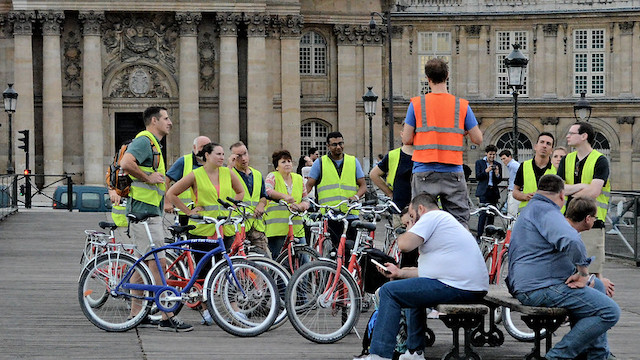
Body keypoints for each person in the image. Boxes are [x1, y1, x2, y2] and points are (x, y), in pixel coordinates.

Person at [356, 193, 488, 360]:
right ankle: (415, 352)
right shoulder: (443, 221)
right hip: (467, 286)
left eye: (412, 217)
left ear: (420, 209)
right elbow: (428, 272)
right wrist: (399, 272)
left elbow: (403, 245)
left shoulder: (432, 216)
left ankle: (379, 355)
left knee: (389, 291)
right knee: (411, 290)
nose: (412, 222)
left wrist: (410, 227)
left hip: (461, 286)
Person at [507, 174, 619, 360]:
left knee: (598, 287)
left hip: (530, 283)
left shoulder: (531, 208)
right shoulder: (547, 212)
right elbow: (572, 240)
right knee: (609, 311)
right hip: (540, 287)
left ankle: (597, 355)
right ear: (561, 196)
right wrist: (583, 273)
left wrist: (586, 278)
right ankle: (558, 357)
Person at [119, 106, 193, 332]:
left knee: (143, 262)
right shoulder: (145, 141)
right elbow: (126, 164)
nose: (170, 122)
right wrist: (148, 178)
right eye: (166, 118)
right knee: (159, 262)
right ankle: (166, 315)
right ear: (154, 121)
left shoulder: (154, 144)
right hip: (144, 212)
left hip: (149, 211)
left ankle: (136, 314)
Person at [401, 58, 483, 228]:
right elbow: (478, 139)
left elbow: (407, 139)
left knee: (422, 222)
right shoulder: (461, 105)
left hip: (424, 171)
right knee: (459, 223)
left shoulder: (417, 104)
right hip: (453, 171)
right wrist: (463, 131)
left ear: (427, 78)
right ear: (447, 76)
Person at [557, 122, 611, 282]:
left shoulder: (600, 160)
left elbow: (594, 192)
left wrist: (570, 190)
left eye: (571, 133)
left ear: (584, 136)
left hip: (592, 223)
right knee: (570, 271)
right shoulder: (567, 159)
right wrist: (581, 186)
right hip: (569, 222)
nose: (567, 136)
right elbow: (559, 189)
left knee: (593, 272)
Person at [306, 131, 367, 247]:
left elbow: (363, 185)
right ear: (328, 146)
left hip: (350, 214)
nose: (338, 147)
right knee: (332, 250)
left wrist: (356, 196)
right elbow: (309, 185)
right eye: (334, 144)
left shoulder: (353, 161)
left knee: (350, 250)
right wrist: (301, 201)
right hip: (330, 215)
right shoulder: (320, 163)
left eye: (341, 143)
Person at [370, 131, 417, 267]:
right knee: (408, 250)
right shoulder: (394, 155)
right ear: (402, 134)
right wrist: (390, 193)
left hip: (418, 210)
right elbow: (374, 174)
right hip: (400, 211)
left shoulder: (424, 154)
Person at [264, 150, 311, 257]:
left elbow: (306, 200)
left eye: (289, 161)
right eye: (283, 162)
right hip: (277, 230)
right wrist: (284, 196)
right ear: (277, 166)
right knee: (279, 262)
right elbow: (267, 191)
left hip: (296, 229)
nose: (287, 164)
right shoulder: (272, 176)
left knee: (304, 260)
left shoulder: (298, 179)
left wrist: (300, 206)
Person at [565, 197, 615, 297]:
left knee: (598, 283)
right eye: (594, 218)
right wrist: (595, 281)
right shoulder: (574, 239)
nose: (595, 220)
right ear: (588, 219)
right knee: (601, 289)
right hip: (556, 286)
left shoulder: (565, 230)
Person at [228, 141, 270, 257]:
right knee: (238, 261)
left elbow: (263, 196)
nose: (243, 159)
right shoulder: (229, 173)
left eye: (245, 154)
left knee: (263, 261)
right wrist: (229, 166)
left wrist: (261, 205)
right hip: (238, 226)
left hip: (256, 225)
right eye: (238, 156)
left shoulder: (257, 174)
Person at [163, 136, 212, 224]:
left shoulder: (213, 163)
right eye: (202, 147)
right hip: (185, 212)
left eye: (208, 147)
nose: (205, 150)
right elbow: (165, 181)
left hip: (209, 212)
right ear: (194, 147)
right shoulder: (184, 161)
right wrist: (167, 202)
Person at [513, 132, 556, 210]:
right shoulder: (524, 166)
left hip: (547, 213)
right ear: (535, 146)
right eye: (542, 142)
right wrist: (525, 196)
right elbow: (515, 191)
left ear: (551, 150)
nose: (544, 146)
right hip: (527, 213)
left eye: (548, 144)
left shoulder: (556, 170)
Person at [475, 145, 503, 239]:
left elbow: (499, 180)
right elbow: (478, 177)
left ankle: (489, 235)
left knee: (491, 214)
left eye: (494, 155)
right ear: (486, 154)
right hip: (484, 192)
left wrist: (497, 174)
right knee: (483, 214)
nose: (492, 156)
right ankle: (479, 235)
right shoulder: (479, 163)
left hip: (493, 192)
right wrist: (486, 171)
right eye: (490, 154)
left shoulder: (498, 164)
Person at [499, 149, 520, 217]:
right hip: (513, 190)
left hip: (514, 191)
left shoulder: (513, 165)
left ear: (510, 157)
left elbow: (522, 174)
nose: (503, 161)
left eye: (504, 158)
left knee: (512, 214)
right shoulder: (511, 165)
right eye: (502, 159)